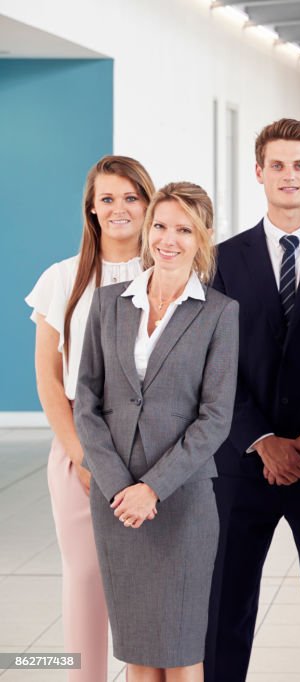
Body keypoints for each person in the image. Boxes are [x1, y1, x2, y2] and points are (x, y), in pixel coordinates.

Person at [74, 181, 239, 678]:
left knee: (183, 653)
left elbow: (215, 418)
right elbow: (87, 401)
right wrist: (119, 486)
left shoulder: (219, 313)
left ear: (203, 236)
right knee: (138, 653)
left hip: (182, 501)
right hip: (116, 502)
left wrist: (152, 488)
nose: (169, 239)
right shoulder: (108, 303)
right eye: (161, 226)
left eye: (183, 229)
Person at [205, 118, 300, 682]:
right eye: (277, 165)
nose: (289, 175)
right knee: (225, 605)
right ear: (259, 172)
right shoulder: (218, 260)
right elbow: (210, 365)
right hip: (240, 460)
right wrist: (261, 438)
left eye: (299, 165)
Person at [26, 155, 155, 682]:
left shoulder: (171, 273)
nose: (120, 208)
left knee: (151, 586)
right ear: (92, 209)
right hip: (82, 441)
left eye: (131, 197)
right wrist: (84, 456)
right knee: (85, 580)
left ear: (149, 204)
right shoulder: (62, 278)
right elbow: (49, 379)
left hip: (155, 445)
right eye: (108, 199)